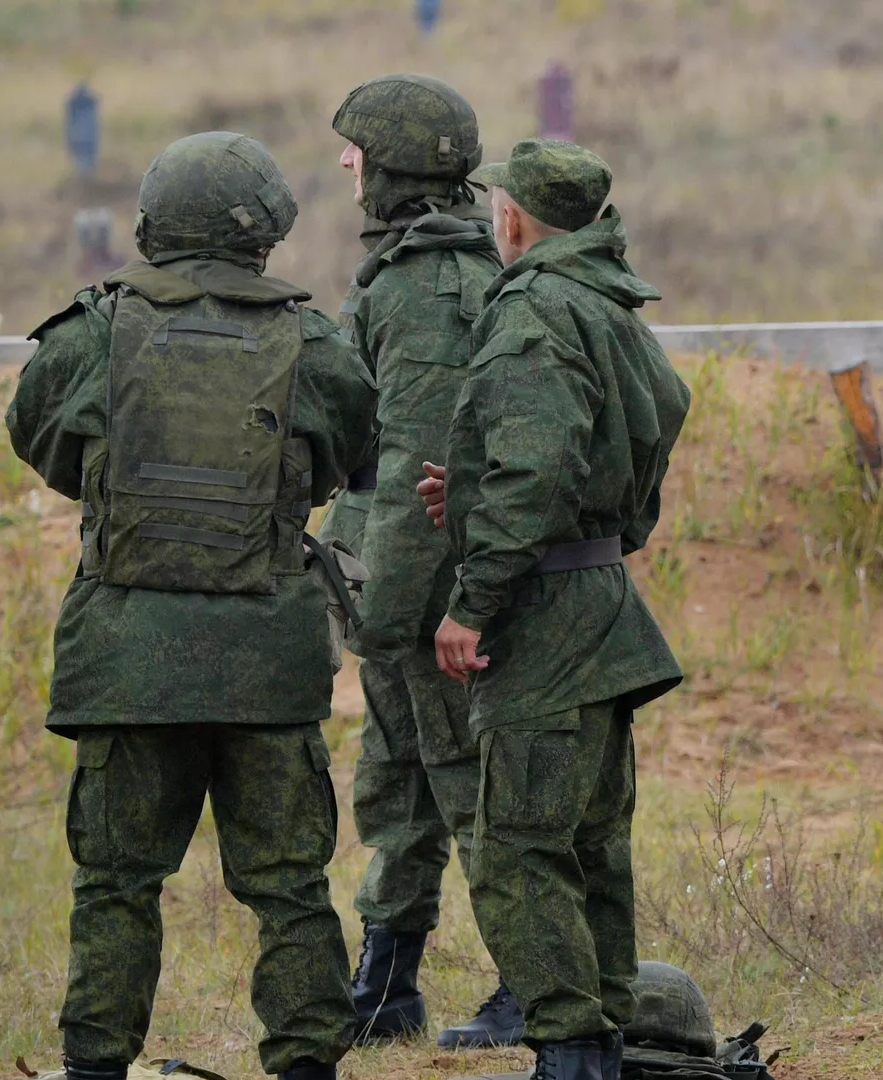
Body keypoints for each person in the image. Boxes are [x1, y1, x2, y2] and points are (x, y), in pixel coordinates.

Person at [6, 132, 376, 1080]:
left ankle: (94, 1067)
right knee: (291, 888)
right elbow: (346, 455)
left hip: (128, 659)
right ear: (263, 233)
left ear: (154, 221)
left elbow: (42, 443)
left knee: (116, 885)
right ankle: (305, 1067)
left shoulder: (89, 334)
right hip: (266, 662)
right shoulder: (317, 342)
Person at [416, 138, 688, 1080]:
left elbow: (539, 465)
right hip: (600, 599)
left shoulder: (533, 306)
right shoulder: (608, 302)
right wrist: (507, 500)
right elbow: (658, 410)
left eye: (498, 208)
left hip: (545, 620)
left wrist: (472, 601)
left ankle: (573, 1050)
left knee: (521, 851)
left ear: (515, 220)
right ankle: (605, 1040)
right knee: (593, 843)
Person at [318, 71, 526, 1050]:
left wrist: (393, 614)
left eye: (357, 151)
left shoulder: (431, 290)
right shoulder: (409, 276)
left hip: (429, 591)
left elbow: (418, 468)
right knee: (398, 788)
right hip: (403, 587)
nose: (345, 165)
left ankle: (536, 985)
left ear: (392, 167)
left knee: (470, 785)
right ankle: (388, 989)